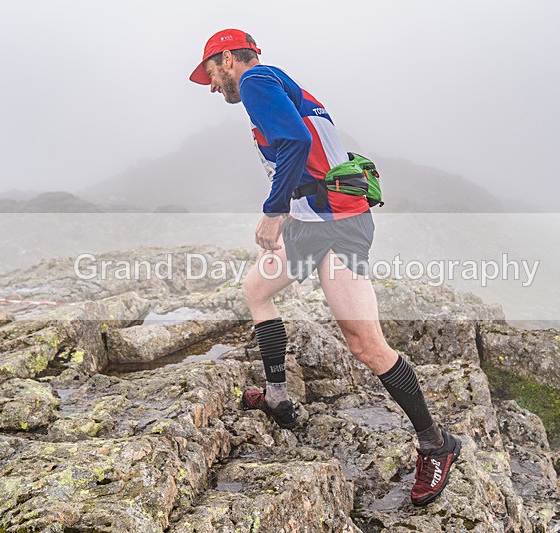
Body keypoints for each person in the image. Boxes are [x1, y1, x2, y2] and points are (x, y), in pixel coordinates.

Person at [189, 28, 461, 507]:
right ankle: (277, 395)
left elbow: (293, 140)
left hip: (339, 229)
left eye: (210, 73)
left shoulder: (255, 82)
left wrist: (273, 212)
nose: (211, 86)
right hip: (314, 224)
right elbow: (304, 149)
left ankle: (436, 443)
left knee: (365, 344)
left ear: (227, 59)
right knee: (257, 288)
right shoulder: (281, 84)